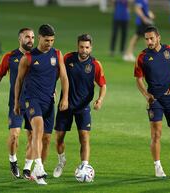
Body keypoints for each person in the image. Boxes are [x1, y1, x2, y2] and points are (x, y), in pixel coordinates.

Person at [14, 24, 69, 185]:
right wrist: (17, 102)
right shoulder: (29, 57)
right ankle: (38, 169)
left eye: (52, 40)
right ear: (39, 38)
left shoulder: (57, 54)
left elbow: (64, 77)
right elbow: (19, 80)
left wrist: (64, 98)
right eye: (46, 40)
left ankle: (38, 169)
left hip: (48, 102)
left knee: (46, 139)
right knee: (37, 130)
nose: (49, 43)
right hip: (32, 99)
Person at [134, 26, 170, 178]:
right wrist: (146, 95)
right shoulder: (142, 56)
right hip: (155, 99)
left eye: (151, 38)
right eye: (146, 39)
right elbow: (138, 79)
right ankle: (158, 167)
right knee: (156, 134)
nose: (149, 41)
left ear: (159, 37)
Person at [0, 27, 35, 180]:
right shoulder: (10, 57)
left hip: (34, 103)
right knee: (14, 135)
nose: (30, 40)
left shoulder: (38, 56)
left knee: (32, 136)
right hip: (16, 103)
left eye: (32, 37)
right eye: (27, 37)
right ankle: (13, 161)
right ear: (20, 39)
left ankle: (26, 168)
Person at [52, 34, 107, 178]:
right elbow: (57, 74)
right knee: (59, 138)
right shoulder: (68, 58)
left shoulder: (95, 64)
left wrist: (100, 100)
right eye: (81, 47)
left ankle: (84, 166)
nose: (84, 50)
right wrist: (52, 88)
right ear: (78, 46)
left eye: (87, 47)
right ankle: (61, 160)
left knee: (84, 137)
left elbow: (103, 85)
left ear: (91, 48)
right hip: (65, 105)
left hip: (83, 107)